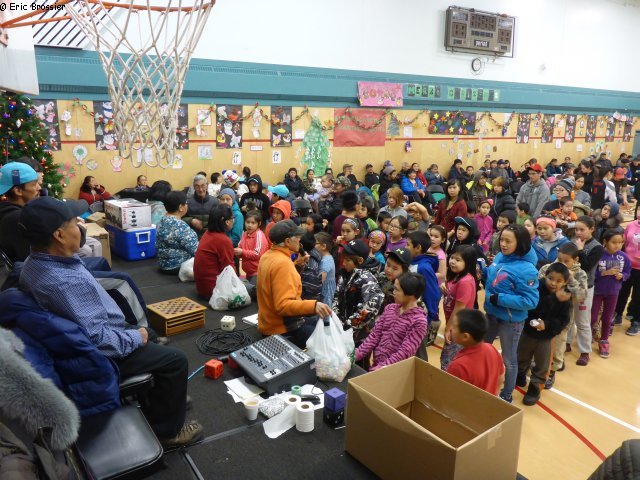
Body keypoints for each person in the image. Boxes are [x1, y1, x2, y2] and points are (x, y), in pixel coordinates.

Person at [17, 196, 201, 446]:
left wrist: (138, 333)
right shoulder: (63, 283)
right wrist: (135, 337)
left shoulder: (37, 260)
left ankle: (166, 400)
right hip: (98, 354)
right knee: (176, 360)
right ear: (59, 235)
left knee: (151, 335)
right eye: (74, 222)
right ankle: (167, 431)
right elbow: (99, 341)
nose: (80, 226)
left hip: (95, 331)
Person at [482, 224, 540, 403]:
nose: (503, 244)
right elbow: (495, 279)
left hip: (511, 320)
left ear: (520, 243)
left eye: (508, 241)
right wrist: (483, 272)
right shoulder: (501, 256)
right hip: (491, 314)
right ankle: (482, 381)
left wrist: (500, 299)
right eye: (502, 240)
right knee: (482, 348)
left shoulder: (527, 269)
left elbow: (530, 301)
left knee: (509, 359)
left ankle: (506, 395)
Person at [257, 220, 332, 348]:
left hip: (268, 323)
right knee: (327, 339)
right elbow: (282, 306)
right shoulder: (283, 264)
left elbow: (277, 281)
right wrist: (314, 305)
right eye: (297, 238)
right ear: (287, 241)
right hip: (282, 330)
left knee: (318, 324)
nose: (300, 241)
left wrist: (296, 265)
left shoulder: (267, 256)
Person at [517, 263, 571, 406]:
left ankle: (535, 388)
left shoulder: (565, 296)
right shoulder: (536, 287)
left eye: (559, 281)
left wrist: (546, 325)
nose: (553, 283)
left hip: (546, 337)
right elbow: (533, 308)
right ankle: (520, 375)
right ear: (545, 276)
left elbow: (563, 320)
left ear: (565, 282)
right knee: (521, 357)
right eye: (550, 278)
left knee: (542, 365)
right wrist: (554, 298)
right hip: (527, 331)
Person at [538, 242, 587, 389]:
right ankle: (538, 366)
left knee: (558, 346)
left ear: (575, 260)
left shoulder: (580, 274)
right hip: (542, 313)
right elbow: (538, 288)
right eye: (560, 259)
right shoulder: (547, 268)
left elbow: (581, 297)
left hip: (562, 318)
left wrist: (570, 280)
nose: (562, 264)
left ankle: (552, 371)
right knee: (539, 343)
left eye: (567, 261)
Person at [354, 272, 427, 371]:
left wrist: (381, 368)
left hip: (395, 371)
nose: (393, 292)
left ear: (411, 294)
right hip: (377, 366)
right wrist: (356, 355)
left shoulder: (419, 321)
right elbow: (374, 336)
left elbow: (405, 352)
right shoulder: (390, 308)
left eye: (397, 289)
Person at [333, 239, 384, 347]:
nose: (344, 263)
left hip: (358, 336)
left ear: (360, 260)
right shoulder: (346, 274)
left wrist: (348, 325)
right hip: (341, 329)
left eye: (347, 260)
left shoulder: (367, 279)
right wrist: (335, 317)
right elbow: (337, 296)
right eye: (343, 259)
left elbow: (371, 307)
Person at [570, 216, 604, 366]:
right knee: (568, 318)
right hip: (569, 285)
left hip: (585, 288)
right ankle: (567, 343)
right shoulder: (573, 242)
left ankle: (585, 352)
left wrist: (580, 250)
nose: (578, 232)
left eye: (582, 229)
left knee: (582, 321)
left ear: (591, 229)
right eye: (576, 229)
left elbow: (587, 266)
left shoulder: (597, 247)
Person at [591, 229, 630, 358]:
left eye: (620, 242)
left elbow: (628, 272)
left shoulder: (624, 257)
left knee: (607, 318)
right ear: (605, 241)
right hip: (597, 291)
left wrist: (622, 276)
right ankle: (589, 335)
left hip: (613, 292)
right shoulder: (599, 254)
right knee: (592, 316)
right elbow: (591, 274)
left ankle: (604, 340)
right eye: (614, 242)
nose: (617, 245)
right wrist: (604, 273)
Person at [447, 309, 504, 395]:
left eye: (454, 327)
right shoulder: (491, 349)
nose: (451, 329)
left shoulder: (458, 366)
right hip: (489, 401)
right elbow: (501, 377)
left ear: (465, 336)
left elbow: (450, 394)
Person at [439, 245, 478, 371]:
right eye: (452, 258)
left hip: (459, 326)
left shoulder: (465, 281)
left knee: (448, 361)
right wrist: (445, 290)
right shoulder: (456, 276)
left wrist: (448, 328)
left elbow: (459, 309)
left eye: (458, 260)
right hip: (454, 324)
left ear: (468, 262)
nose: (452, 262)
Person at [0, 162, 42, 263]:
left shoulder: (5, 211)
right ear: (18, 190)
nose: (39, 188)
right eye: (34, 184)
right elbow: (32, 261)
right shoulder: (19, 219)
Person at [193, 205, 235, 299]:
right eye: (232, 218)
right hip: (214, 290)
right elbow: (229, 270)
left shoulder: (207, 233)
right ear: (227, 222)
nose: (233, 220)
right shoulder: (223, 240)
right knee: (250, 287)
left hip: (202, 288)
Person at [155, 191, 198, 274]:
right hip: (179, 267)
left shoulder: (161, 221)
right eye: (186, 203)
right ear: (181, 207)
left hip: (163, 265)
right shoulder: (180, 226)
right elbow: (196, 250)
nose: (187, 206)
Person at [406, 231, 440, 327]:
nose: (405, 247)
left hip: (419, 319)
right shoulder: (410, 260)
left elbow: (432, 294)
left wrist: (428, 318)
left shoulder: (424, 268)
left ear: (418, 248)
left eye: (408, 245)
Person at [235, 211, 269, 281]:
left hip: (258, 272)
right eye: (247, 222)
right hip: (248, 272)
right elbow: (240, 247)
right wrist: (237, 252)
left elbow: (257, 253)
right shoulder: (245, 234)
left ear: (259, 224)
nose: (249, 225)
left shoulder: (259, 235)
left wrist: (242, 252)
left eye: (253, 223)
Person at [314, 232, 336, 306]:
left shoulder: (326, 261)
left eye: (315, 243)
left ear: (323, 246)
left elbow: (320, 281)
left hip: (324, 294)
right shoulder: (326, 257)